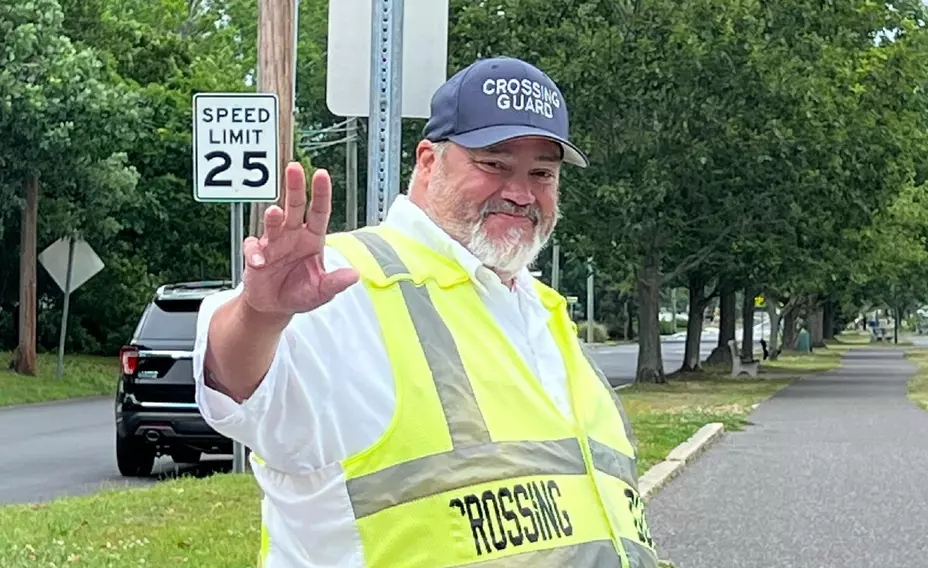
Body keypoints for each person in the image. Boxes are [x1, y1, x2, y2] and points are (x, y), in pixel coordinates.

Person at [193, 56, 658, 568]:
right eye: (494, 164)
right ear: (428, 161)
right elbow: (238, 386)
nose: (521, 193)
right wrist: (259, 315)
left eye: (541, 173)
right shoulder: (347, 279)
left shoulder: (544, 312)